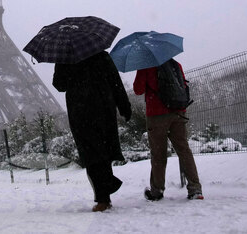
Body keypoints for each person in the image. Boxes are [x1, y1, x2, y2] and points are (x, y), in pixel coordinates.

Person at [53, 50, 132, 212]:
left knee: (92, 154)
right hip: (103, 108)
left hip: (81, 112)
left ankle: (104, 195)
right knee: (103, 150)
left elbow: (59, 84)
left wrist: (66, 66)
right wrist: (124, 106)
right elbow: (115, 81)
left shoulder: (66, 57)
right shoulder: (101, 55)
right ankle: (106, 190)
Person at [134, 59, 203, 201]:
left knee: (158, 154)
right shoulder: (176, 64)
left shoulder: (145, 65)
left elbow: (138, 89)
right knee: (184, 150)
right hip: (178, 111)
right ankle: (195, 189)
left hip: (156, 114)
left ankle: (157, 191)